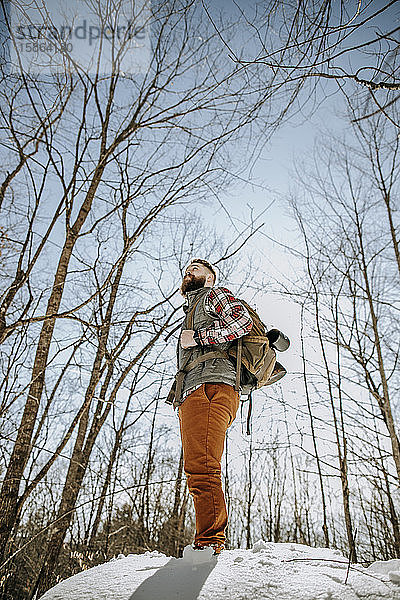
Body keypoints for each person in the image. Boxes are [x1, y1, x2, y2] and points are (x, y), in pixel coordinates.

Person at [171, 258, 253, 555]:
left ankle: (209, 544)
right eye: (186, 270)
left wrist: (200, 338)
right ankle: (209, 541)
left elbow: (242, 323)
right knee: (197, 468)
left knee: (203, 468)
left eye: (196, 269)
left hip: (211, 387)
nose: (188, 272)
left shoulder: (213, 294)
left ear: (209, 277)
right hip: (197, 392)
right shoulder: (193, 307)